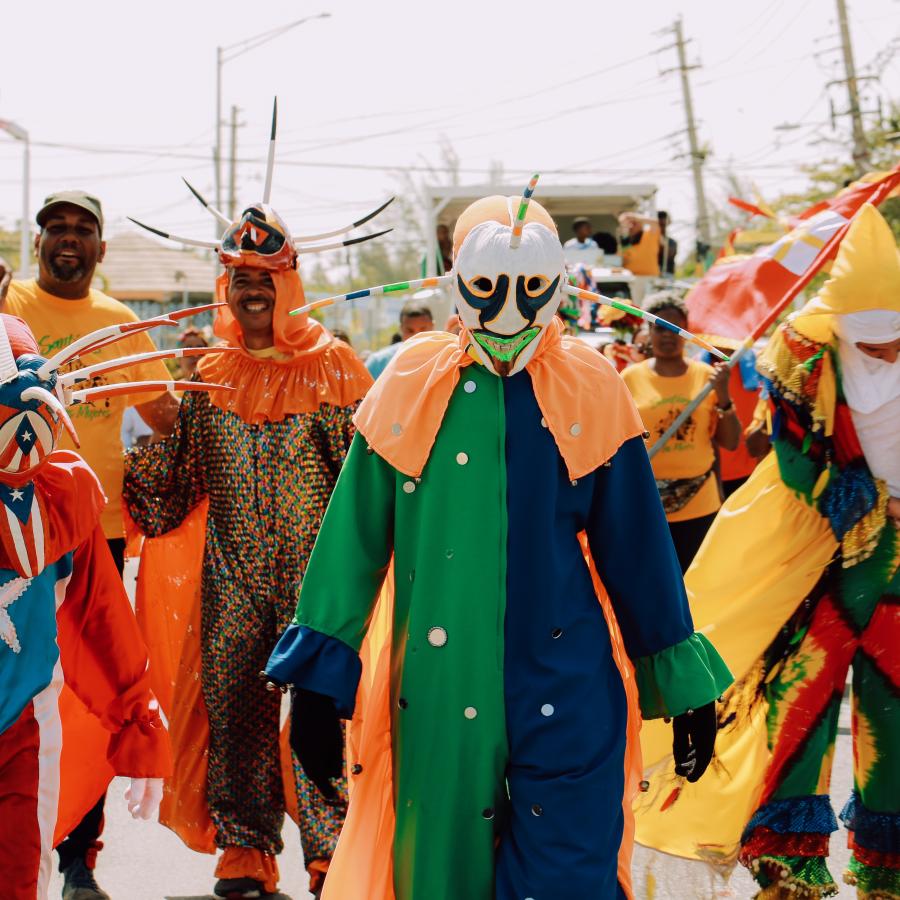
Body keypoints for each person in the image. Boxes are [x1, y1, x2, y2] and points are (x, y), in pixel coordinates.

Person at [264, 181, 732, 899]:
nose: (506, 308)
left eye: (530, 285)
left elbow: (637, 548)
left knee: (567, 877)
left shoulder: (593, 386)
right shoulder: (407, 383)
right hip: (438, 691)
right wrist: (320, 681)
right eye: (485, 284)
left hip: (569, 684)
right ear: (456, 280)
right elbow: (354, 540)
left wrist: (678, 678)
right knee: (441, 879)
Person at [633, 203, 900, 899]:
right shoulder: (804, 359)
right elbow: (789, 454)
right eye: (873, 343)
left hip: (896, 565)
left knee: (892, 718)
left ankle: (884, 872)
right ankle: (789, 868)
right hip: (815, 556)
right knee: (797, 708)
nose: (888, 354)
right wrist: (852, 499)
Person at [124, 200, 373, 899]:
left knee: (323, 716)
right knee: (234, 710)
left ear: (289, 283)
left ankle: (332, 851)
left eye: (266, 276)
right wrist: (144, 440)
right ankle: (245, 851)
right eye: (241, 278)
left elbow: (366, 480)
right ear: (225, 287)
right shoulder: (209, 373)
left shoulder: (334, 368)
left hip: (319, 580)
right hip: (231, 578)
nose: (253, 291)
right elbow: (177, 485)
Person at [0, 190, 178, 900]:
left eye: (82, 230)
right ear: (35, 243)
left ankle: (78, 854)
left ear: (102, 248)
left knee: (79, 694)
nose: (67, 240)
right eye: (55, 229)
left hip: (80, 529)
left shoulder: (116, 324)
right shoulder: (12, 308)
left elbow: (166, 416)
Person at [621, 292, 740, 572]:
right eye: (660, 327)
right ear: (648, 331)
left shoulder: (707, 377)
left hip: (700, 503)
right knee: (654, 583)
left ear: (687, 331)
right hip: (648, 503)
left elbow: (730, 442)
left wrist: (723, 396)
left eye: (676, 328)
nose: (667, 335)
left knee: (696, 586)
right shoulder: (629, 378)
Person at [364, 301, 434, 379]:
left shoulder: (444, 358)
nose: (416, 336)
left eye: (423, 330)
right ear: (401, 328)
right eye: (410, 331)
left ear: (432, 326)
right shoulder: (378, 361)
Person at [657, 210, 678, 277]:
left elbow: (669, 255)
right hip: (653, 274)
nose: (662, 227)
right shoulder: (648, 240)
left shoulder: (672, 242)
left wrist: (660, 239)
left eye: (663, 225)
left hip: (667, 274)